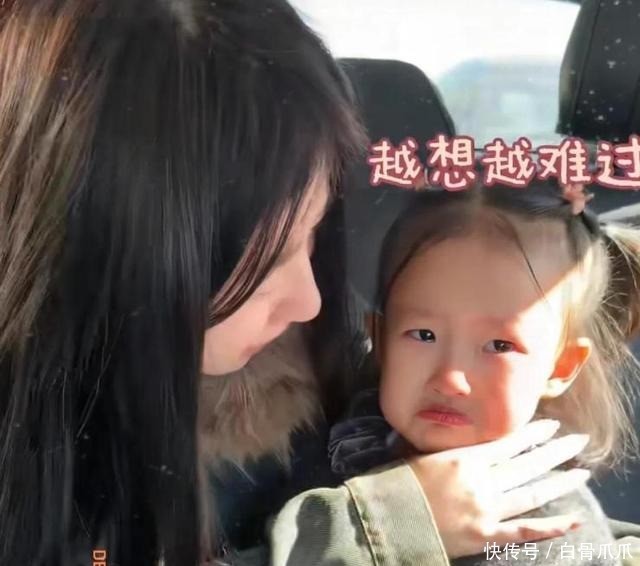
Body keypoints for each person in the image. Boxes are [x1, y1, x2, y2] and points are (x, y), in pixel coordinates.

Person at [0, 1, 592, 564]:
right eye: (266, 261)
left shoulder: (317, 370)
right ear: (116, 250)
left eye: (313, 235)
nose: (309, 302)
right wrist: (379, 532)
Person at [328, 182, 640, 565]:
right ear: (380, 339)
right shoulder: (340, 429)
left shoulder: (549, 530)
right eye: (424, 335)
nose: (450, 379)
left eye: (499, 345)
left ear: (560, 367)